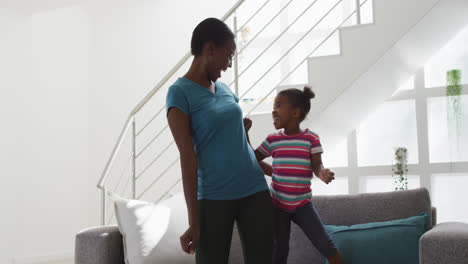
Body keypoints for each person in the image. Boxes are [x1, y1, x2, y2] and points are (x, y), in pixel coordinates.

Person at [166, 18, 273, 264]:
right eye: (229, 54)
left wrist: (245, 134)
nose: (229, 63)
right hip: (213, 197)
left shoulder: (225, 89)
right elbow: (187, 158)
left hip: (254, 190)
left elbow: (241, 144)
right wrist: (193, 220)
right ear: (210, 49)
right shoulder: (179, 93)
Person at [247, 86, 345, 264]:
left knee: (325, 243)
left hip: (302, 205)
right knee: (279, 250)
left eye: (278, 105)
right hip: (277, 204)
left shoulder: (311, 139)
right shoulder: (273, 140)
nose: (273, 111)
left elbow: (317, 165)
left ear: (295, 112)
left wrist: (322, 173)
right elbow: (251, 159)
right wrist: (245, 134)